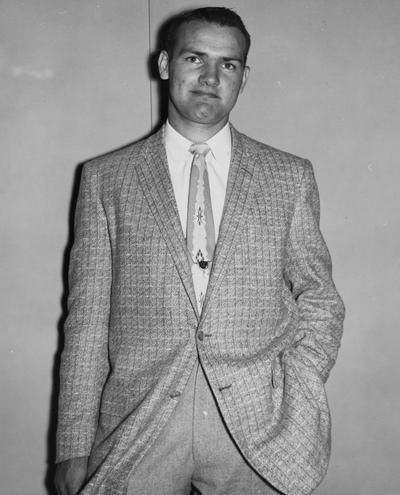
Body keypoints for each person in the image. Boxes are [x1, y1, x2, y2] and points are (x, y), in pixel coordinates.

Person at [54, 7, 345, 495]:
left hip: (257, 431)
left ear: (244, 76)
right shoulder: (106, 178)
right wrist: (72, 443)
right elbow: (86, 318)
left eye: (228, 64)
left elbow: (320, 298)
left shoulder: (288, 176)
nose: (210, 77)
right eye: (195, 58)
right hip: (139, 423)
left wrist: (299, 386)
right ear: (166, 64)